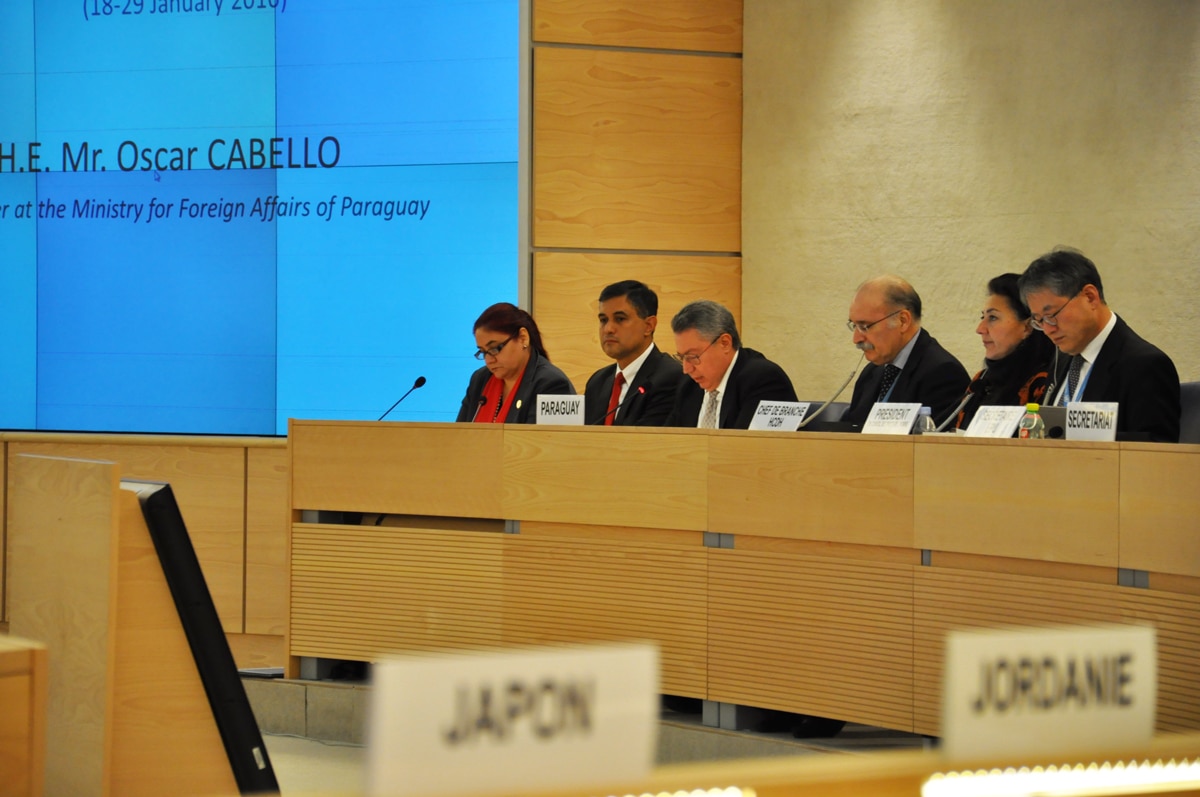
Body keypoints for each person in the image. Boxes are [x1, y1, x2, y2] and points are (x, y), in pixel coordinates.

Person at [1018, 248, 1180, 443]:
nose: (1048, 329)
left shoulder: (1144, 365)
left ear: (1090, 297)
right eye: (1039, 321)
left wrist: (1079, 439)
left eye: (1051, 315)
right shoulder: (1062, 358)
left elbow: (1157, 449)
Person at [843, 275, 970, 428]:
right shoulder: (870, 373)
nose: (856, 339)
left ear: (902, 321)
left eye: (865, 326)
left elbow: (934, 447)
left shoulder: (944, 374)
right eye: (854, 325)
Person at [664, 300, 797, 429]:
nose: (686, 369)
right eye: (682, 358)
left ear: (725, 343)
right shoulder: (689, 386)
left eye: (693, 356)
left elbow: (748, 447)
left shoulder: (763, 380)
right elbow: (667, 442)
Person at [956, 273, 1057, 429]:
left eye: (993, 318)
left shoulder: (1044, 383)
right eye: (982, 317)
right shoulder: (982, 382)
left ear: (1027, 327)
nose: (980, 329)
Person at [583, 280, 684, 426]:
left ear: (649, 326)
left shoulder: (672, 379)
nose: (608, 329)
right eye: (603, 320)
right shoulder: (598, 382)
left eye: (620, 319)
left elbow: (643, 444)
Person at [455, 302, 575, 424]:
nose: (489, 360)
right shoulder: (480, 380)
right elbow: (459, 436)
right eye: (483, 351)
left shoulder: (553, 385)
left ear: (523, 338)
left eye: (495, 349)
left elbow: (545, 441)